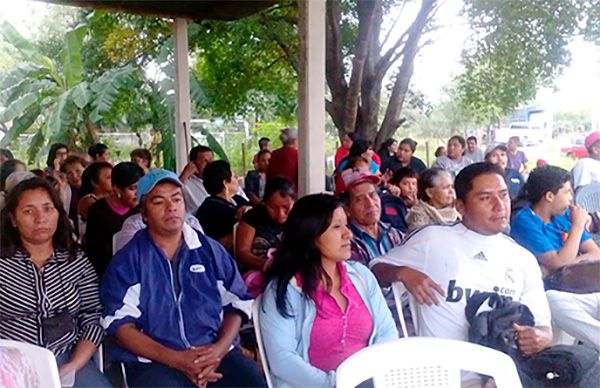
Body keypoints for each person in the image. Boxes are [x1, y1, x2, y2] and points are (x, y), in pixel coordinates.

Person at [101, 169, 264, 387]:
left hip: (214, 353)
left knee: (252, 381)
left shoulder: (210, 251)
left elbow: (237, 303)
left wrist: (218, 350)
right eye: (158, 202)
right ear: (144, 213)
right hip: (155, 361)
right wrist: (177, 360)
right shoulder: (128, 261)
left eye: (176, 199)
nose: (171, 207)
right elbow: (120, 325)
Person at [370, 163, 552, 358]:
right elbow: (374, 269)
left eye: (504, 195)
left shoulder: (522, 258)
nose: (499, 206)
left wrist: (539, 337)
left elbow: (545, 329)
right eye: (485, 198)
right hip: (441, 372)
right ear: (460, 206)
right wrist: (402, 273)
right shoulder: (432, 240)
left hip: (501, 372)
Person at [259, 194, 398, 387]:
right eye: (336, 227)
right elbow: (282, 360)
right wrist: (337, 383)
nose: (348, 234)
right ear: (312, 235)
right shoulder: (284, 290)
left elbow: (387, 332)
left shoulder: (361, 277)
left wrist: (372, 376)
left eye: (346, 225)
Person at [0, 177, 107, 387]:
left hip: (68, 356)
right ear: (13, 219)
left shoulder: (76, 260)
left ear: (59, 214)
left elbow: (92, 316)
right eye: (29, 211)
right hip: (10, 362)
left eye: (48, 209)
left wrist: (72, 366)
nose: (40, 219)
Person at [510, 165, 600, 350]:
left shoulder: (564, 216)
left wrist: (563, 264)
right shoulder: (525, 220)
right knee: (553, 300)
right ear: (550, 196)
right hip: (556, 292)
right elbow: (558, 262)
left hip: (581, 286)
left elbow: (595, 253)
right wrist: (577, 226)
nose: (571, 199)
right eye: (567, 192)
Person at [84, 162, 143, 277]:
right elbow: (95, 252)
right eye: (132, 188)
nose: (137, 193)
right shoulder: (98, 211)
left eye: (140, 188)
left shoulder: (143, 208)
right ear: (117, 189)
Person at [337, 169, 404, 266]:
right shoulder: (346, 243)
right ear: (346, 209)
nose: (370, 203)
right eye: (359, 199)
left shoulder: (394, 234)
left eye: (372, 195)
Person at [235, 176, 295, 272]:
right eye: (272, 207)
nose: (280, 214)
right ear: (265, 203)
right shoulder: (253, 217)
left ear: (294, 202)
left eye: (286, 207)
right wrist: (266, 265)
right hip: (257, 273)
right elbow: (242, 253)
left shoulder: (299, 218)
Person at [196, 160, 251, 251]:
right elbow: (215, 246)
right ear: (225, 183)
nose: (237, 178)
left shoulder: (237, 199)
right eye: (233, 176)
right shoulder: (210, 209)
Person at [180, 145, 215, 213]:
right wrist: (185, 175)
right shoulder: (185, 183)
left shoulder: (219, 178)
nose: (210, 164)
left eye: (211, 160)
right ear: (193, 164)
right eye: (204, 161)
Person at [60, 155, 88, 235]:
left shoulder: (95, 189)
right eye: (69, 173)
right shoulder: (65, 190)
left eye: (78, 171)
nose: (74, 176)